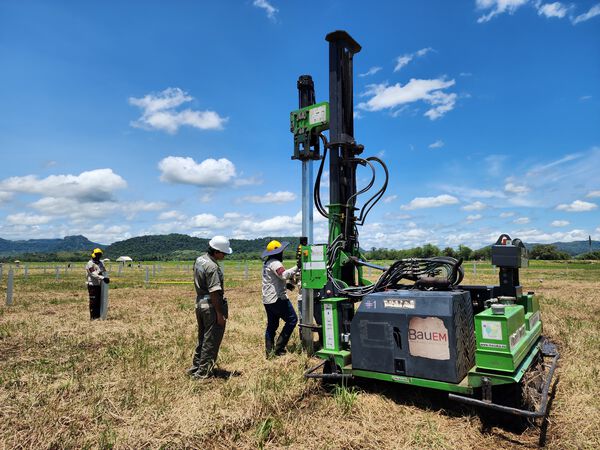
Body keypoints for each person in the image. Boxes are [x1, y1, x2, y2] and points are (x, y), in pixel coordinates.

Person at [188, 235, 232, 379]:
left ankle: (196, 367)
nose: (225, 255)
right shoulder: (212, 267)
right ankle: (203, 373)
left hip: (199, 303)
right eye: (224, 253)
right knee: (211, 340)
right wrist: (220, 314)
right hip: (211, 307)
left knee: (202, 338)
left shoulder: (200, 260)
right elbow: (214, 292)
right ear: (216, 251)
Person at [261, 240, 299, 357]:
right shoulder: (275, 263)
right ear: (278, 252)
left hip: (268, 299)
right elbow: (283, 275)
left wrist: (285, 285)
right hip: (277, 299)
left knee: (272, 325)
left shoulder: (267, 263)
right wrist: (298, 266)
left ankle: (269, 351)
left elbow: (273, 280)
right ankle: (279, 348)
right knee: (292, 319)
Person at [86, 248, 109, 320]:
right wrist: (102, 278)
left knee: (99, 300)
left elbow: (103, 271)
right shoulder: (90, 263)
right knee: (93, 301)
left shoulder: (100, 263)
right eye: (97, 255)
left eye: (100, 255)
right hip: (92, 285)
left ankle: (98, 315)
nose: (98, 256)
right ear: (94, 255)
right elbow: (93, 274)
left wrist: (105, 276)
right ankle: (93, 317)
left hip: (100, 285)